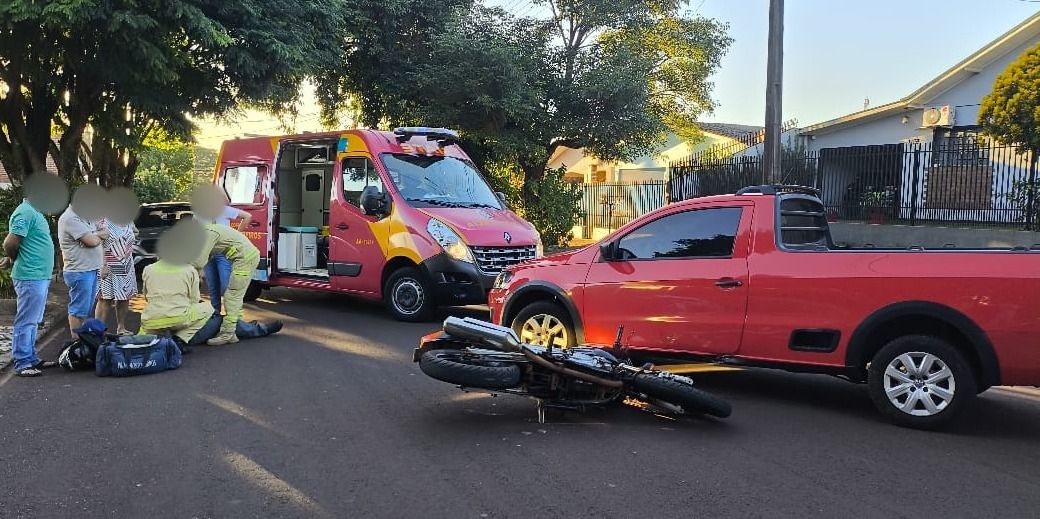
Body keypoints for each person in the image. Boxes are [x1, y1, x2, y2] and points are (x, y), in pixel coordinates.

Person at [138, 223, 279, 346]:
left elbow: (147, 297)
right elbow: (194, 297)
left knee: (231, 298)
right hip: (186, 328)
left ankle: (239, 328)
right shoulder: (187, 269)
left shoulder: (150, 270)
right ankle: (242, 331)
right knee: (218, 315)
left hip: (159, 325)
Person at [2, 195, 58, 377]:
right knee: (26, 320)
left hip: (38, 275)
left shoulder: (33, 212)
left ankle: (31, 358)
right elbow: (10, 243)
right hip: (30, 276)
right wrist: (12, 258)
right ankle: (23, 361)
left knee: (33, 320)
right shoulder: (25, 212)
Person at [190, 222, 261, 345]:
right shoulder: (208, 231)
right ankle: (236, 328)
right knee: (234, 296)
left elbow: (199, 261)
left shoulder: (208, 234)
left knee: (232, 296)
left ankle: (228, 334)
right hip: (244, 258)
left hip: (245, 259)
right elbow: (208, 256)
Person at [57, 187, 109, 339]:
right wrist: (94, 237)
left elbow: (104, 232)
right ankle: (77, 344)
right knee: (78, 310)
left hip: (90, 270)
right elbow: (92, 241)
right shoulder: (70, 218)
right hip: (79, 271)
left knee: (85, 310)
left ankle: (83, 340)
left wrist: (93, 235)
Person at [195, 193, 252, 313]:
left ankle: (233, 316)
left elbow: (247, 216)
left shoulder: (224, 210)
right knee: (212, 288)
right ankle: (215, 316)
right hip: (208, 253)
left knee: (226, 285)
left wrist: (236, 234)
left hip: (223, 253)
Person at [96, 211, 139, 335]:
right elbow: (97, 243)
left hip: (126, 264)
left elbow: (135, 231)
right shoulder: (102, 220)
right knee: (105, 299)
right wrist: (102, 265)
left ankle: (121, 328)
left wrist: (130, 239)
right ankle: (98, 332)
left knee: (124, 298)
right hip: (108, 264)